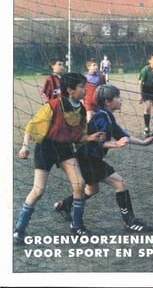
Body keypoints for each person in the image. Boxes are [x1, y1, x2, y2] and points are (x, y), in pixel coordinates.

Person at [13, 73, 105, 244]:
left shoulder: (81, 110)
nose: (86, 90)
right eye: (82, 87)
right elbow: (31, 127)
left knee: (79, 184)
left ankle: (76, 226)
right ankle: (19, 228)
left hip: (64, 149)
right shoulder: (54, 105)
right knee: (38, 191)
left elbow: (79, 137)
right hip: (46, 148)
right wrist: (25, 146)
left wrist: (91, 138)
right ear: (70, 90)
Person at [54, 84, 153, 233]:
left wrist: (143, 143)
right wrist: (116, 145)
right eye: (118, 97)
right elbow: (99, 140)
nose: (121, 100)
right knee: (120, 184)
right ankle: (129, 222)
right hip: (87, 159)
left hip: (90, 159)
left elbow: (123, 135)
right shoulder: (101, 116)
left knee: (92, 190)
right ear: (108, 101)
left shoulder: (107, 116)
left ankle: (64, 205)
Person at [83, 58, 106, 122]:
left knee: (100, 118)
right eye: (94, 65)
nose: (96, 67)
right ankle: (88, 130)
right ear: (88, 67)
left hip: (99, 101)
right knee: (89, 117)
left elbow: (104, 89)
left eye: (97, 65)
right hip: (88, 102)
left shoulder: (101, 77)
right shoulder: (84, 78)